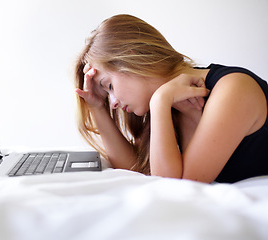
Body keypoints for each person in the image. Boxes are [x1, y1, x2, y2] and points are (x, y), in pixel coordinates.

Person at [74, 14, 268, 183]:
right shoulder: (172, 104)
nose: (114, 102)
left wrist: (160, 100)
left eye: (109, 86)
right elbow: (135, 168)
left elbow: (175, 186)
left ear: (133, 58)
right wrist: (97, 107)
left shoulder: (232, 89)